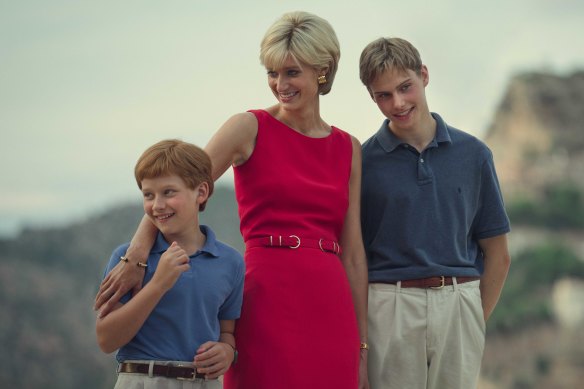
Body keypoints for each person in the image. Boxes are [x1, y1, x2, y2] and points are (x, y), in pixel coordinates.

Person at [94, 11, 369, 389]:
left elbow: (353, 254)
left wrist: (362, 346)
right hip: (267, 295)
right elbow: (180, 188)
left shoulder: (348, 148)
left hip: (330, 302)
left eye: (292, 72)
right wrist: (137, 254)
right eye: (272, 73)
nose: (279, 84)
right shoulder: (248, 127)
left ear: (322, 70)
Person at [358, 37, 511, 389]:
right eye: (383, 95)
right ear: (372, 97)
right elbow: (355, 256)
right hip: (389, 306)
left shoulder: (475, 155)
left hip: (460, 302)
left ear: (423, 75)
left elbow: (498, 255)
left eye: (405, 87)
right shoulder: (362, 162)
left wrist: (471, 317)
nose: (397, 103)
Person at [96, 139, 245, 388]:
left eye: (168, 192)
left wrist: (227, 351)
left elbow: (227, 332)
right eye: (148, 195)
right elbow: (106, 340)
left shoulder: (230, 262)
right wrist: (157, 285)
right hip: (142, 380)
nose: (157, 205)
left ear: (201, 192)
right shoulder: (128, 261)